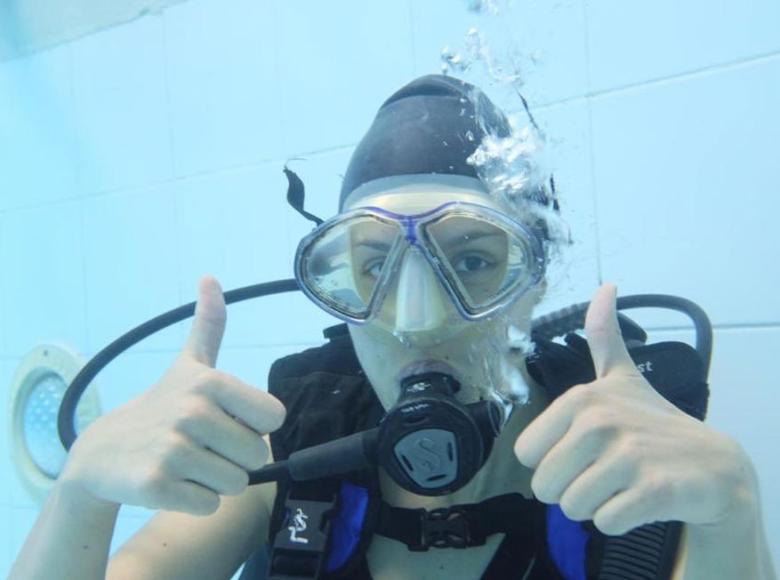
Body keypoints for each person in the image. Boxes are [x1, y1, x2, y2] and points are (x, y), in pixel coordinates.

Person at [9, 75, 775, 580]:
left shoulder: (618, 468)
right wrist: (80, 498)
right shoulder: (293, 449)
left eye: (472, 260)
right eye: (372, 266)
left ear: (533, 280)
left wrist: (734, 513)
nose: (417, 320)